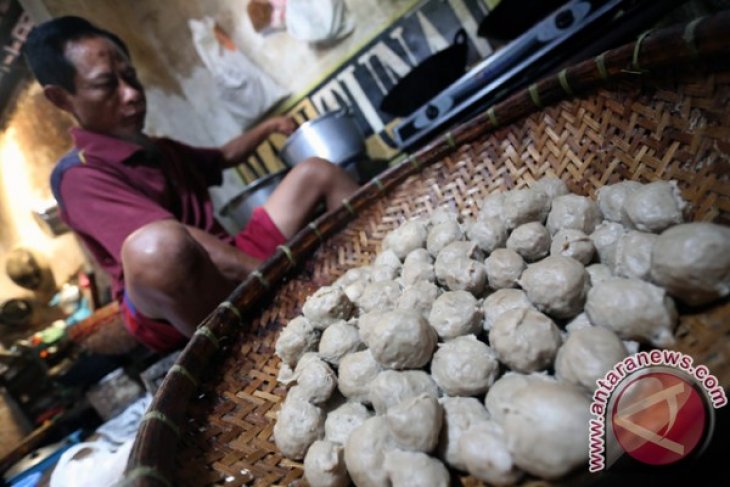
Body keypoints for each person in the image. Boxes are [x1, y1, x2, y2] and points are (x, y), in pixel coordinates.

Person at [22, 16, 359, 353]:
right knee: (159, 246)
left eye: (131, 77)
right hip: (178, 301)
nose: (131, 95)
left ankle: (366, 269)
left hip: (230, 258)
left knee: (317, 171)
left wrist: (268, 127)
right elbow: (171, 242)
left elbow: (224, 156)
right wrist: (289, 284)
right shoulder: (78, 176)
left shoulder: (156, 147)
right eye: (107, 85)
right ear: (61, 98)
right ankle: (244, 353)